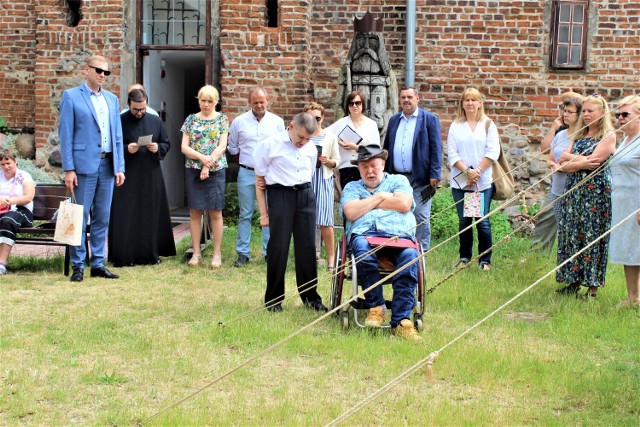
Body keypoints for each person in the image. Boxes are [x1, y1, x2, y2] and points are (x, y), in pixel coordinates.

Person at [340, 145, 421, 341]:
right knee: (360, 248)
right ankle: (376, 307)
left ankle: (401, 321)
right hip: (365, 236)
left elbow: (403, 204)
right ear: (358, 168)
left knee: (411, 256)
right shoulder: (352, 187)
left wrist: (365, 205)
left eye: (374, 166)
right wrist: (381, 197)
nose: (369, 171)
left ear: (383, 164)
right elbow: (351, 212)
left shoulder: (398, 181)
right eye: (364, 166)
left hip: (398, 235)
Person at [59, 54, 125, 282]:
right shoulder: (71, 97)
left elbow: (117, 135)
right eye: (98, 70)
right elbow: (65, 135)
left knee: (102, 217)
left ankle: (97, 263)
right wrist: (69, 168)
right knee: (80, 216)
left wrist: (120, 167)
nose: (102, 75)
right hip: (83, 166)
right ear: (86, 70)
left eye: (106, 72)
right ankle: (78, 265)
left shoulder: (112, 99)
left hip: (107, 164)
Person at [254, 112, 328, 313]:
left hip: (305, 194)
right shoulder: (270, 144)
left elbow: (310, 174)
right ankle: (274, 300)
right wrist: (264, 213)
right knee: (279, 247)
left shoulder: (311, 148)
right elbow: (259, 181)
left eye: (307, 139)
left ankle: (311, 297)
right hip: (280, 195)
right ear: (291, 125)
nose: (303, 142)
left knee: (307, 247)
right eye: (301, 137)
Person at [556, 94, 616, 298]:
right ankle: (572, 281)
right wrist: (580, 162)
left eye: (591, 111)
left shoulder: (608, 135)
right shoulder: (579, 134)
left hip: (596, 194)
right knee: (571, 233)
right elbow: (562, 163)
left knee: (592, 235)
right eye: (585, 111)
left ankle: (592, 287)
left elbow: (596, 161)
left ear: (602, 112)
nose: (587, 115)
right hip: (574, 192)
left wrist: (571, 160)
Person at [107, 88, 176, 266]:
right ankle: (124, 256)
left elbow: (166, 143)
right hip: (127, 174)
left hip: (150, 173)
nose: (139, 113)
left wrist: (157, 148)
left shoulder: (155, 120)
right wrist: (126, 149)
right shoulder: (119, 121)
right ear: (129, 105)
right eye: (136, 109)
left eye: (143, 109)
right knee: (127, 214)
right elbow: (111, 147)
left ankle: (150, 255)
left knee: (149, 213)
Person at [227, 87, 285, 267]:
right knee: (245, 213)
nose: (259, 105)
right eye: (255, 102)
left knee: (268, 213)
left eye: (262, 102)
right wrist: (247, 163)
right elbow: (233, 147)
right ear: (249, 103)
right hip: (246, 172)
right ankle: (243, 254)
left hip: (270, 173)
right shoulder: (239, 122)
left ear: (267, 101)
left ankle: (269, 252)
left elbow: (282, 146)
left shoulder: (277, 122)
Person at [446, 87, 500, 271]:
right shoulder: (456, 126)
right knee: (464, 221)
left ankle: (485, 260)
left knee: (481, 220)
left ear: (480, 104)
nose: (470, 103)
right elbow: (452, 154)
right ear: (462, 103)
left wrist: (476, 171)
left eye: (473, 100)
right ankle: (464, 258)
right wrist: (467, 171)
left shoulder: (487, 124)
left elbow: (493, 151)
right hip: (461, 182)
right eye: (466, 100)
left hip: (481, 182)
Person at [383, 86, 443, 251]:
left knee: (421, 215)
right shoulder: (394, 119)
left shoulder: (429, 119)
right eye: (403, 97)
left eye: (409, 97)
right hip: (397, 178)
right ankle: (401, 248)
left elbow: (437, 148)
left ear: (417, 98)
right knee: (398, 212)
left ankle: (422, 252)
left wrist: (435, 173)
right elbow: (387, 146)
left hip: (421, 177)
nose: (406, 100)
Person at [180, 85, 229, 269]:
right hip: (193, 168)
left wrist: (208, 164)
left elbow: (222, 145)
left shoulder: (222, 119)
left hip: (216, 170)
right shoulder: (191, 120)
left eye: (210, 101)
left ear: (216, 102)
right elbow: (184, 147)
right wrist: (202, 159)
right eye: (203, 100)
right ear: (198, 100)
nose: (206, 104)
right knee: (195, 211)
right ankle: (196, 253)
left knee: (215, 211)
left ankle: (216, 254)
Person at [533, 95, 584, 252]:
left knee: (572, 227)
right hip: (556, 186)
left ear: (579, 114)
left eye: (569, 111)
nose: (565, 114)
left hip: (575, 188)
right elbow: (547, 155)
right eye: (564, 111)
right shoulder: (560, 134)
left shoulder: (584, 137)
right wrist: (553, 164)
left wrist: (565, 165)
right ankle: (537, 255)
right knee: (545, 219)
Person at [609, 94, 640, 308]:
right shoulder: (625, 140)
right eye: (618, 114)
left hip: (637, 201)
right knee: (629, 249)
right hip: (622, 201)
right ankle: (633, 298)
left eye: (625, 114)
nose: (620, 118)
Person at [304, 102, 340, 271]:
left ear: (322, 118)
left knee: (326, 221)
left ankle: (331, 259)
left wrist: (328, 161)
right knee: (307, 220)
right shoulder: (302, 135)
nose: (315, 121)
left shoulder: (330, 137)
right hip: (305, 180)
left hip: (324, 179)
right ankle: (312, 256)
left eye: (317, 118)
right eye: (311, 117)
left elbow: (337, 161)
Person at [326, 91, 381, 190]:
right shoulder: (341, 123)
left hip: (366, 168)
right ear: (348, 106)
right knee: (348, 202)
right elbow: (325, 134)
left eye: (358, 103)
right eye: (351, 103)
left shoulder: (371, 124)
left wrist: (355, 147)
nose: (354, 106)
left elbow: (375, 150)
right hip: (346, 169)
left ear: (363, 104)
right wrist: (338, 141)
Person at [0, 149, 36, 275]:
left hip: (22, 211)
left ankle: (1, 264)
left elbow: (28, 197)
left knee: (7, 221)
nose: (6, 167)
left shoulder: (24, 176)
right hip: (2, 210)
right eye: (3, 164)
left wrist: (9, 201)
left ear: (15, 161)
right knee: (4, 219)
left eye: (8, 163)